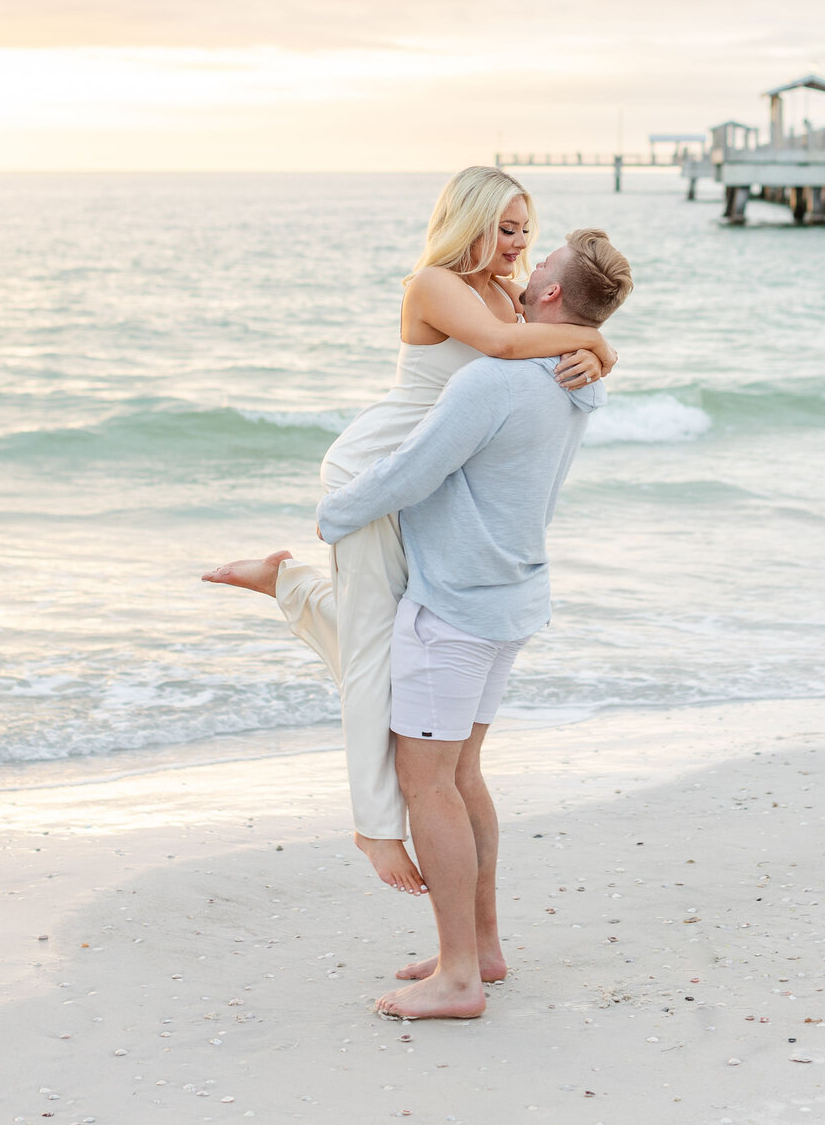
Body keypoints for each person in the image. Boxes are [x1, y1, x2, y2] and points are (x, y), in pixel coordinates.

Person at [202, 167, 617, 894]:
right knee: (371, 654)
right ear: (469, 222)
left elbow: (524, 357)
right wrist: (600, 345)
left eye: (526, 231)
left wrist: (594, 350)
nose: (518, 245)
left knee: (386, 638)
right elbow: (499, 346)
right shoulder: (435, 285)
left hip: (419, 485)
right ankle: (375, 828)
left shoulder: (504, 295)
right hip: (372, 477)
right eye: (504, 228)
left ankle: (288, 582)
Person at [315, 228, 634, 1020]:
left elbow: (413, 470)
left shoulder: (494, 380)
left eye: (543, 261)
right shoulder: (576, 376)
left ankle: (457, 978)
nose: (527, 267)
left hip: (454, 608)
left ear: (552, 295)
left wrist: (335, 512)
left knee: (429, 786)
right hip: (512, 600)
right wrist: (601, 344)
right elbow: (588, 353)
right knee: (461, 778)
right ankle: (481, 949)